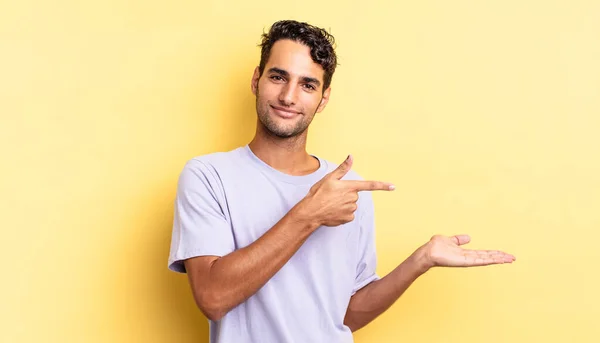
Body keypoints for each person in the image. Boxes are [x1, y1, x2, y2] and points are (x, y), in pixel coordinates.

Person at [167, 19, 515, 343]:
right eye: (278, 77)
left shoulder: (349, 191)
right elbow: (213, 298)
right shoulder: (208, 176)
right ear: (256, 79)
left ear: (324, 98)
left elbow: (345, 314)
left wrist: (419, 261)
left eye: (307, 84)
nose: (289, 96)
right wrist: (309, 214)